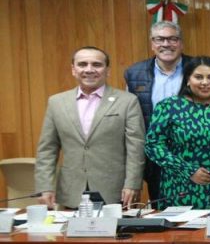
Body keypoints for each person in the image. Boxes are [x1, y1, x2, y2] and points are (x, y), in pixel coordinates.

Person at [35, 47, 145, 209]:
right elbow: (47, 149)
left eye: (96, 64)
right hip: (71, 191)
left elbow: (136, 148)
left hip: (115, 191)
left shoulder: (127, 101)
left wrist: (133, 184)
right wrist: (44, 187)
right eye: (82, 64)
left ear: (107, 70)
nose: (89, 69)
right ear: (73, 70)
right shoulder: (57, 102)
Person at [145, 56, 210, 209]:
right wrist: (187, 170)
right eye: (199, 77)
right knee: (181, 225)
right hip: (180, 186)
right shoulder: (169, 106)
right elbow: (153, 145)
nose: (205, 82)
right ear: (188, 80)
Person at [124, 21, 192, 204]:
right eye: (160, 39)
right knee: (162, 206)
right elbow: (130, 119)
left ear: (181, 43)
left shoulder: (199, 68)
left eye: (172, 39)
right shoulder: (134, 74)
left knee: (199, 208)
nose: (166, 44)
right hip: (155, 158)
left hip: (193, 155)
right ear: (152, 44)